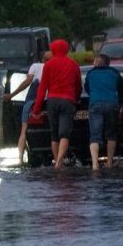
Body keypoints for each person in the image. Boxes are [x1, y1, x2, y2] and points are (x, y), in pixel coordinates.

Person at [31, 39, 82, 169]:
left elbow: (42, 89)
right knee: (64, 133)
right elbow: (78, 86)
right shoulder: (73, 64)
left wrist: (36, 109)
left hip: (52, 101)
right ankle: (60, 161)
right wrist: (75, 98)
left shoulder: (48, 65)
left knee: (54, 134)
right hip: (68, 101)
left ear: (53, 49)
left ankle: (56, 161)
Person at [3, 51, 52, 165]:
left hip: (32, 102)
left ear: (42, 59)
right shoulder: (55, 68)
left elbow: (28, 81)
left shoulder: (35, 66)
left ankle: (20, 158)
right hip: (49, 102)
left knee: (24, 131)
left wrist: (11, 95)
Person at [84, 53, 122, 170]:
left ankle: (95, 164)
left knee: (95, 135)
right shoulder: (115, 73)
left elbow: (87, 88)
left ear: (97, 62)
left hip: (95, 104)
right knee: (111, 134)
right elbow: (120, 87)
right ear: (108, 63)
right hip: (111, 104)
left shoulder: (90, 73)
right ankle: (109, 162)